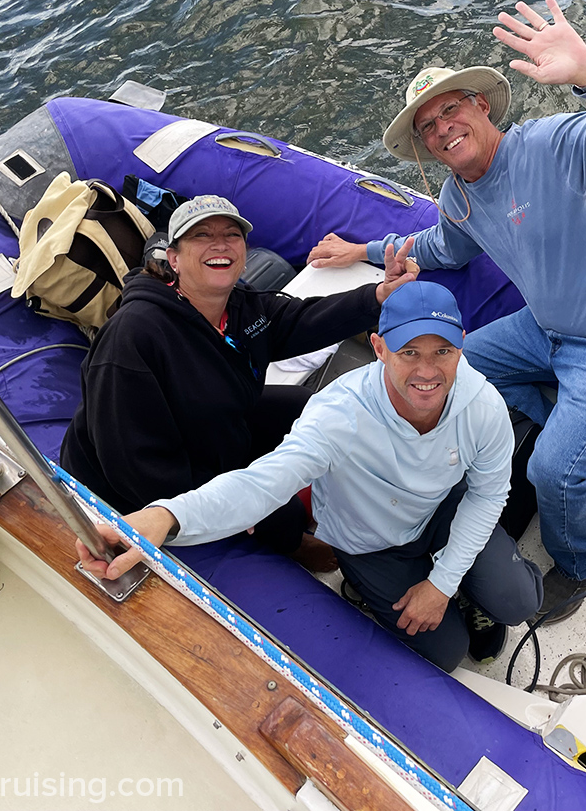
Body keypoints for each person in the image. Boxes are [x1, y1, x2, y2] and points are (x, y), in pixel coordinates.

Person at [307, 0, 586, 622]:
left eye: (450, 109)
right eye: (428, 127)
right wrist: (366, 250)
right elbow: (441, 247)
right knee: (456, 369)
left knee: (552, 469)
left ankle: (583, 562)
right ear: (426, 147)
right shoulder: (458, 197)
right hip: (550, 328)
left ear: (482, 107)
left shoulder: (549, 145)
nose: (442, 128)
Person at [77, 281, 543, 672]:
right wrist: (166, 517)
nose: (428, 371)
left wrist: (442, 583)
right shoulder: (338, 413)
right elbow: (262, 483)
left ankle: (468, 590)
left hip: (441, 510)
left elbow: (487, 495)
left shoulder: (482, 405)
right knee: (447, 653)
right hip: (369, 540)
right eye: (409, 351)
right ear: (379, 348)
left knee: (518, 602)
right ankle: (407, 586)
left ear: (462, 345)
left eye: (443, 351)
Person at [61, 194, 416, 570]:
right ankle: (293, 543)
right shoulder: (133, 338)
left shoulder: (239, 304)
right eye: (201, 235)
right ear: (174, 259)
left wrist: (378, 296)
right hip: (140, 478)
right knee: (278, 512)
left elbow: (298, 321)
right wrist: (228, 505)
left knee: (309, 405)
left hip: (212, 421)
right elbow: (133, 466)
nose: (220, 244)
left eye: (232, 234)